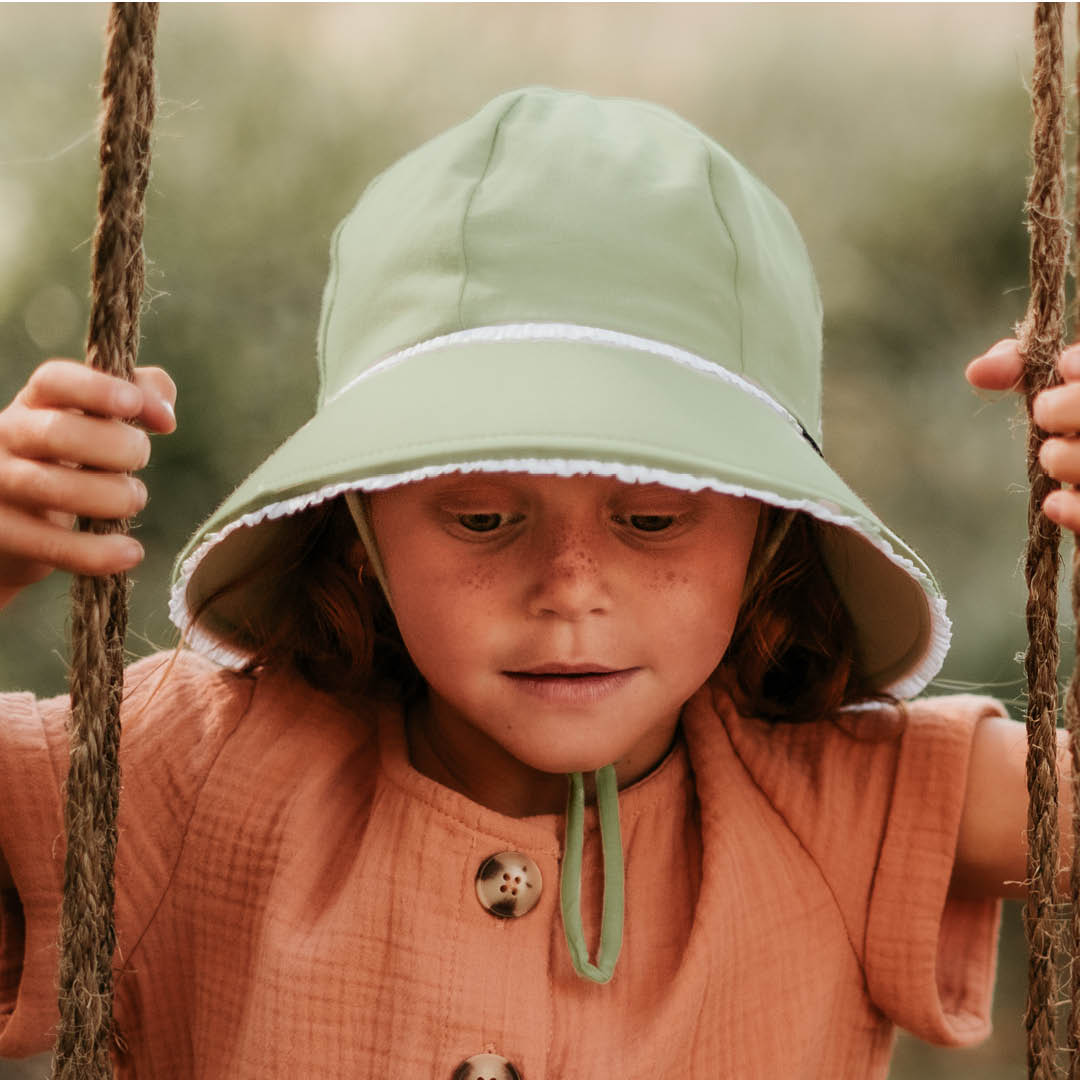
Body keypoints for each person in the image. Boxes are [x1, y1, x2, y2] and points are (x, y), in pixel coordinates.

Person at [0, 86, 1070, 1079]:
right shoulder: (192, 771)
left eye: (653, 517)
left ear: (771, 528)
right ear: (359, 517)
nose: (569, 588)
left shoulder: (842, 802)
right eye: (480, 518)